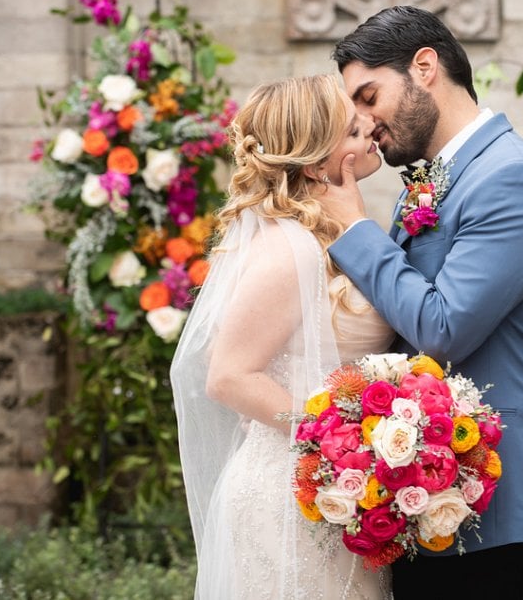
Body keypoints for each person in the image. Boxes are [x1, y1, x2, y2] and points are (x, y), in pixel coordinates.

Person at [318, 6, 523, 599]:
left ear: (425, 67)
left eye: (368, 95)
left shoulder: (513, 178)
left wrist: (355, 230)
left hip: (498, 507)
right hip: (426, 496)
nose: (362, 121)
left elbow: (440, 326)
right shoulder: (434, 181)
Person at [169, 74, 394, 599]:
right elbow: (228, 377)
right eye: (353, 129)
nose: (370, 133)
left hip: (331, 490)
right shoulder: (287, 249)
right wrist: (340, 442)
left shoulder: (329, 234)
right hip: (288, 496)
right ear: (317, 162)